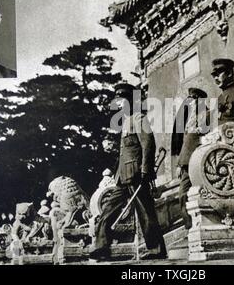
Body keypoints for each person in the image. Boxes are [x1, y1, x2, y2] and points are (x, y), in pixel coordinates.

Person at [89, 83, 166, 261]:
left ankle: (156, 249)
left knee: (146, 212)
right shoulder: (126, 121)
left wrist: (146, 169)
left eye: (122, 99)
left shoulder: (139, 118)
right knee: (108, 209)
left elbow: (148, 144)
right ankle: (102, 247)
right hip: (122, 177)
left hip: (137, 174)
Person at [175, 88, 208, 230]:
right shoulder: (188, 118)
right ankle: (189, 224)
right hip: (186, 162)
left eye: (194, 99)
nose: (191, 102)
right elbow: (185, 143)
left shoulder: (207, 115)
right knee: (183, 194)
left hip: (202, 159)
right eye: (190, 99)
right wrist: (179, 164)